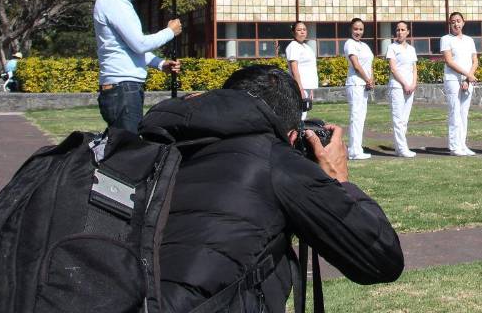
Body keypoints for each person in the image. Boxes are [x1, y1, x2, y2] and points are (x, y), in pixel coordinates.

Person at [150, 65, 404, 312]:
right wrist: (339, 180)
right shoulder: (275, 161)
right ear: (293, 136)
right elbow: (382, 261)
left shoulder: (155, 146)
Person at [94, 0, 181, 132]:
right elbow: (139, 44)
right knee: (128, 152)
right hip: (123, 88)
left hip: (124, 88)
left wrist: (160, 63)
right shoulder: (113, 0)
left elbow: (129, 47)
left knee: (125, 149)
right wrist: (170, 31)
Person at [440, 11, 478, 156]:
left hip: (468, 80)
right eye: (453, 21)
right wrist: (467, 75)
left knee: (463, 113)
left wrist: (468, 79)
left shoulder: (469, 40)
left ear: (463, 22)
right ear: (450, 24)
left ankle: (462, 145)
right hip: (452, 79)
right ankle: (454, 146)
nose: (456, 24)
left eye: (458, 21)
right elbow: (449, 61)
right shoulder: (446, 39)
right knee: (454, 112)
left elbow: (475, 61)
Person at [385, 21, 418, 157]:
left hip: (410, 88)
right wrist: (405, 84)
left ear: (408, 32)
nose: (400, 32)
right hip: (398, 87)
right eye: (398, 30)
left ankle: (399, 148)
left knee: (404, 119)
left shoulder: (411, 49)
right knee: (398, 119)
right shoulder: (392, 47)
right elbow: (393, 68)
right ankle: (403, 148)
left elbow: (414, 68)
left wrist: (413, 83)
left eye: (403, 29)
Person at [343, 17, 375, 160]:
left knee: (361, 118)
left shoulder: (365, 46)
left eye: (360, 29)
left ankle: (358, 148)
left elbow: (369, 65)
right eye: (355, 29)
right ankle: (353, 151)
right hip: (355, 83)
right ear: (351, 29)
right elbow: (356, 65)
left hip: (364, 85)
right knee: (356, 117)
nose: (358, 31)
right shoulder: (350, 44)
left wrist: (371, 79)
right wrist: (367, 79)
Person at [285, 21, 318, 119]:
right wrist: (300, 88)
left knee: (303, 114)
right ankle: (294, 134)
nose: (302, 32)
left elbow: (310, 68)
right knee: (298, 115)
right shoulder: (293, 46)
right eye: (299, 30)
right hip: (299, 86)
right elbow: (294, 68)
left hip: (307, 86)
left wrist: (310, 88)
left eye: (304, 29)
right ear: (293, 33)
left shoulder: (306, 47)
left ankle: (299, 133)